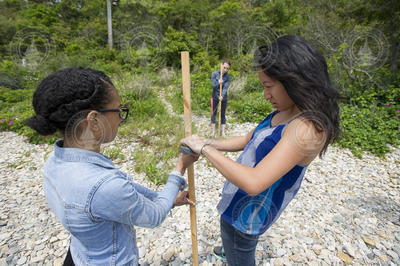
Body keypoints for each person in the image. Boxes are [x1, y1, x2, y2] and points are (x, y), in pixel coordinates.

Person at [181, 35, 340, 266]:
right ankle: (231, 249)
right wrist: (210, 142)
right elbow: (249, 139)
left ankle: (235, 252)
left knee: (238, 245)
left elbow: (254, 183)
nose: (266, 95)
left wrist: (204, 149)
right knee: (232, 240)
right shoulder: (287, 110)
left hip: (248, 214)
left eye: (268, 86)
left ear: (295, 80)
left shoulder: (306, 128)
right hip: (239, 200)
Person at [26, 67, 198, 265]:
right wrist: (180, 167)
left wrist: (166, 198)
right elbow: (154, 215)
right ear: (93, 120)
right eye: (117, 110)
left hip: (79, 255)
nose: (120, 118)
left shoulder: (55, 162)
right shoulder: (103, 185)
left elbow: (126, 192)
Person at [211, 60, 231, 137]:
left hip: (223, 98)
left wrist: (222, 95)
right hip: (214, 97)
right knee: (213, 113)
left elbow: (225, 88)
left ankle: (223, 132)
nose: (225, 69)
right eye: (224, 67)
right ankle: (212, 132)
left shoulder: (228, 77)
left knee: (223, 114)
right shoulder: (214, 74)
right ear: (221, 66)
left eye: (227, 68)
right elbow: (213, 86)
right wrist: (218, 83)